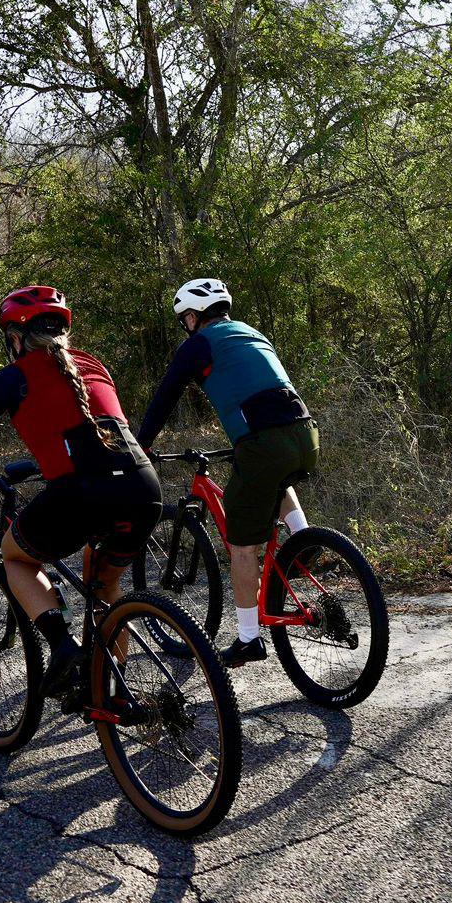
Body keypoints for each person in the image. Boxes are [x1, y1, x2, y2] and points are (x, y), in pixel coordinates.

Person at [0, 286, 161, 695]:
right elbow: (98, 435)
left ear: (16, 338)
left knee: (15, 556)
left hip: (84, 491)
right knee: (104, 585)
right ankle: (110, 690)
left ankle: (62, 646)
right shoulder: (93, 364)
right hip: (144, 487)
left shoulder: (12, 377)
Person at [138, 278, 318, 668]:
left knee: (241, 545)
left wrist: (143, 444)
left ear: (192, 316)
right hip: (305, 434)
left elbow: (166, 395)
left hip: (263, 443)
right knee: (275, 479)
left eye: (184, 318)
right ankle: (303, 539)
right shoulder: (252, 332)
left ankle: (249, 639)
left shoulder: (199, 344)